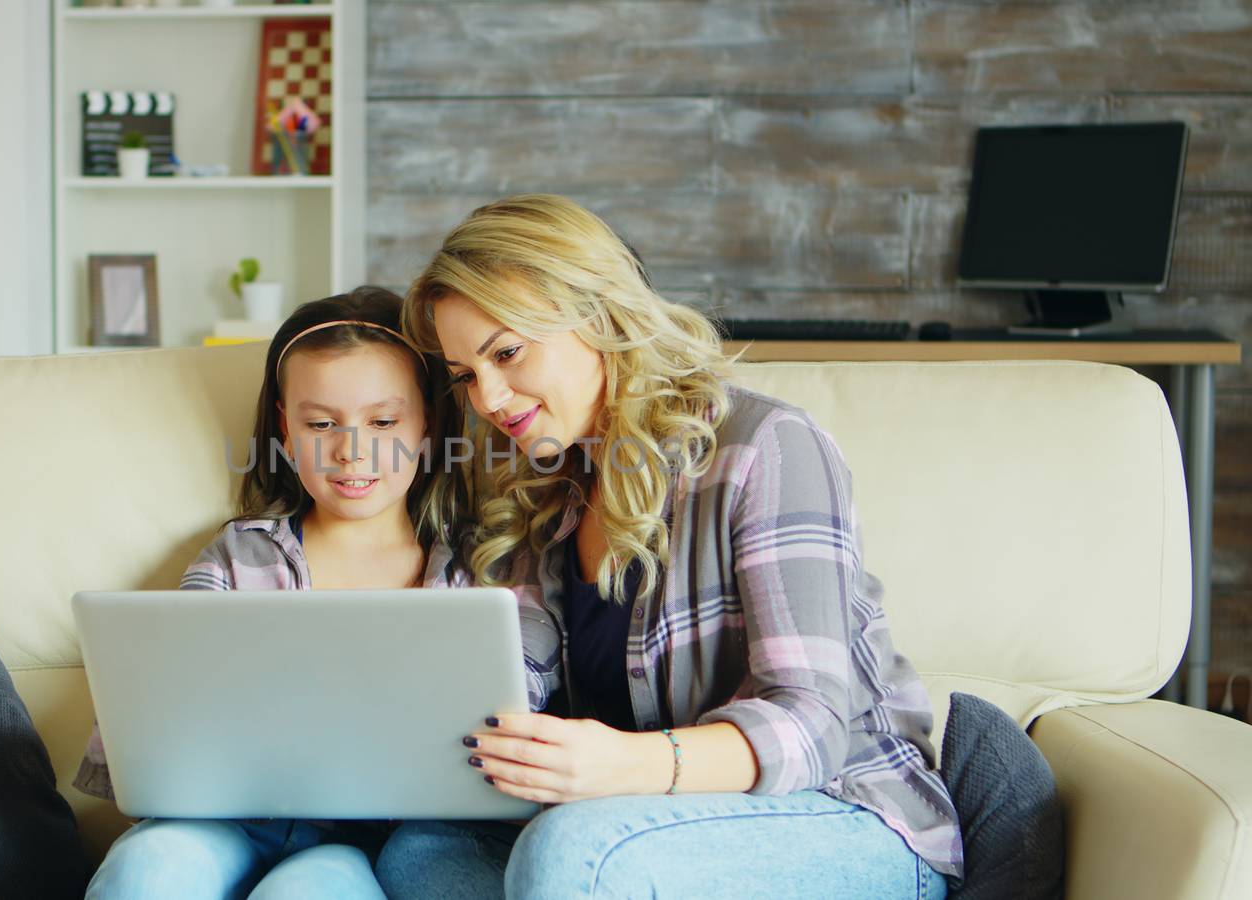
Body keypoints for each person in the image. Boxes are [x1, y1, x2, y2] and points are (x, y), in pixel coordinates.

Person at [374, 195, 963, 899]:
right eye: (467, 375)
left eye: (507, 352)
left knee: (569, 855)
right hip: (644, 821)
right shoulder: (545, 488)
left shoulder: (765, 450)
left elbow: (812, 725)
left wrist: (623, 766)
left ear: (599, 316)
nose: (490, 399)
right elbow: (507, 687)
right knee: (421, 851)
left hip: (842, 816)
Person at [78, 287, 551, 899]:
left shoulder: (489, 563)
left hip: (410, 835)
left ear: (428, 421)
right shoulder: (237, 558)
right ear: (284, 425)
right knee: (151, 865)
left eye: (383, 422)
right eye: (320, 423)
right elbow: (161, 721)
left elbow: (527, 701)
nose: (351, 450)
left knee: (306, 890)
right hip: (240, 820)